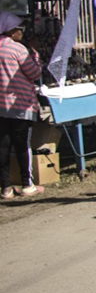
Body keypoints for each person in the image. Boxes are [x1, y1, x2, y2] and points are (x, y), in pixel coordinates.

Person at [0, 13, 43, 200]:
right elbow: (33, 73)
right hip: (20, 105)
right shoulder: (18, 49)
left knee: (3, 146)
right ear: (10, 31)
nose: (21, 32)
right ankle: (27, 184)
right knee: (22, 145)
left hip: (1, 108)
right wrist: (35, 54)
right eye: (19, 29)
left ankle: (6, 188)